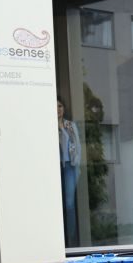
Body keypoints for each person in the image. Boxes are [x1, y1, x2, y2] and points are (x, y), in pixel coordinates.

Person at [57, 97, 81, 246]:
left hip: (69, 167)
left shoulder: (70, 126)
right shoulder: (46, 125)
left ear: (64, 108)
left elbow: (78, 146)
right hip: (54, 167)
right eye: (54, 106)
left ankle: (70, 240)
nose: (58, 109)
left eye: (60, 105)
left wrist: (77, 166)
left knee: (69, 204)